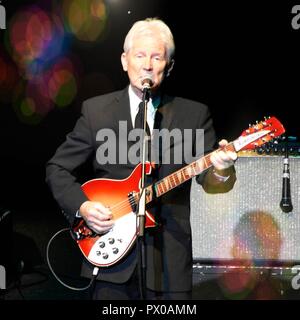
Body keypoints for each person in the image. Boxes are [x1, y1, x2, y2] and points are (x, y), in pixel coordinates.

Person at [46, 17, 237, 300]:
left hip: (169, 263)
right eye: (139, 55)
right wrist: (83, 207)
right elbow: (57, 167)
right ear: (125, 61)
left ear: (169, 66)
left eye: (157, 57)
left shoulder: (194, 115)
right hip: (108, 259)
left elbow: (211, 181)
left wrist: (221, 170)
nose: (147, 64)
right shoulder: (96, 112)